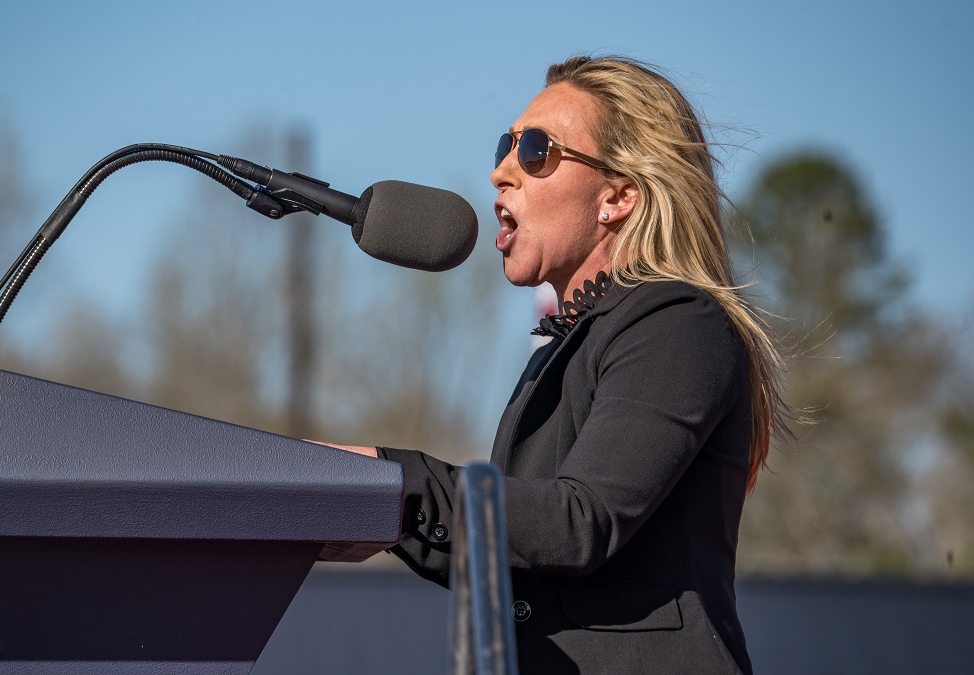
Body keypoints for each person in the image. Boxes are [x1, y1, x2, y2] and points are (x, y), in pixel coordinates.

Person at [322, 55, 789, 674]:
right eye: (505, 145)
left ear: (617, 196)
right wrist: (346, 497)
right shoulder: (567, 346)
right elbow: (522, 552)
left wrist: (388, 478)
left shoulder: (678, 322)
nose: (499, 172)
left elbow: (577, 523)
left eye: (536, 150)